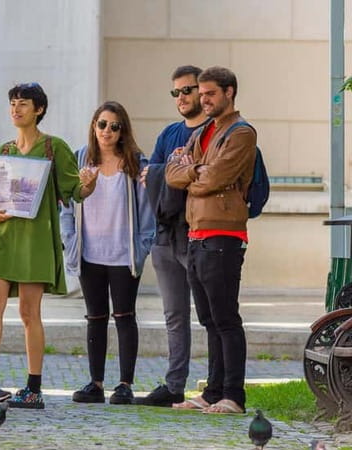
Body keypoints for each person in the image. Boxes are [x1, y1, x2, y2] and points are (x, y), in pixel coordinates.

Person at [0, 83, 90, 409]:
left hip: (35, 240)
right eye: (13, 104)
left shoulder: (54, 148)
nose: (16, 109)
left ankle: (33, 387)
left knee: (28, 312)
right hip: (4, 237)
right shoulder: (3, 151)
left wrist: (89, 185)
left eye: (23, 104)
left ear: (39, 110)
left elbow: (73, 192)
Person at [166, 66, 257, 414]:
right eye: (200, 94)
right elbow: (174, 173)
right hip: (196, 233)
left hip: (224, 235)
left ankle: (234, 394)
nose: (203, 100)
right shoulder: (204, 132)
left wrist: (195, 174)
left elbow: (215, 177)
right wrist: (195, 173)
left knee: (225, 318)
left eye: (210, 94)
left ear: (229, 92)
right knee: (207, 319)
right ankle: (213, 391)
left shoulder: (241, 133)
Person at [62, 101, 155, 405]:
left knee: (125, 317)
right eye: (102, 124)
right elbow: (66, 203)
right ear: (94, 126)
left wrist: (141, 248)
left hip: (123, 254)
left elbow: (147, 211)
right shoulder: (80, 160)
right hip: (90, 253)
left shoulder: (136, 164)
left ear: (122, 130)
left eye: (114, 126)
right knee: (95, 317)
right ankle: (95, 383)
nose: (107, 131)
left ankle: (125, 384)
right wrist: (71, 239)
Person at [135, 65, 210, 407]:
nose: (182, 97)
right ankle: (174, 384)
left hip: (201, 234)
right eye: (176, 92)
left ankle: (218, 385)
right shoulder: (169, 134)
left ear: (203, 92)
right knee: (174, 315)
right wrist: (169, 172)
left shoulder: (216, 131)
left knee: (212, 314)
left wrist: (169, 173)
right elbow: (150, 175)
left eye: (188, 90)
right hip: (165, 236)